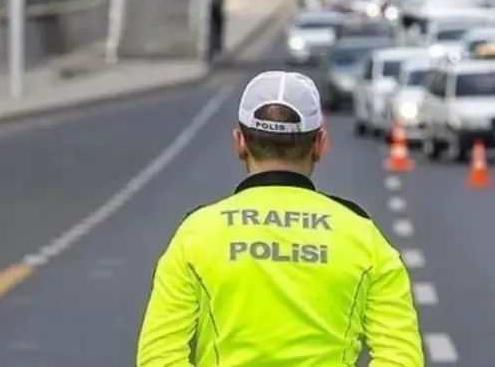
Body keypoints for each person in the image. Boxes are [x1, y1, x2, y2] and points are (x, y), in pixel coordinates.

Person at [136, 71, 424, 366]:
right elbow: (400, 358)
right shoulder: (363, 237)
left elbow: (158, 357)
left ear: (240, 143)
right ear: (320, 144)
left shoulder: (196, 234)